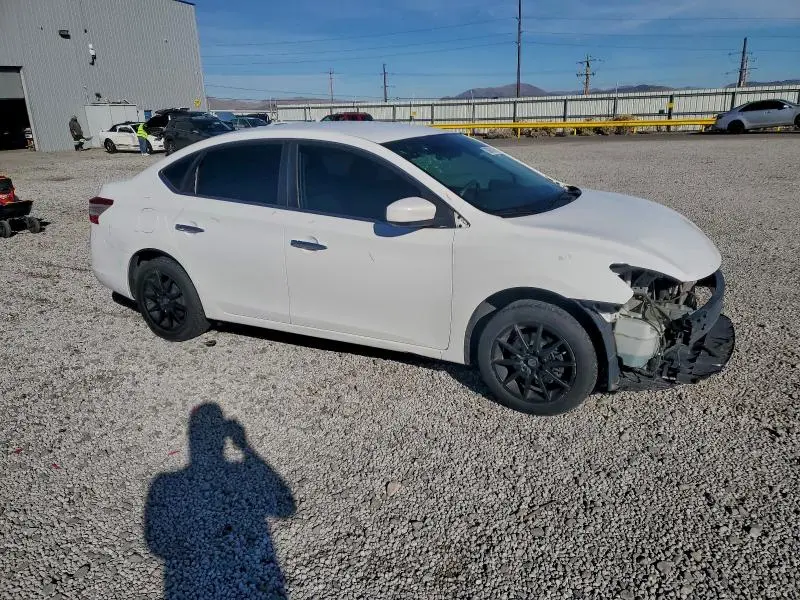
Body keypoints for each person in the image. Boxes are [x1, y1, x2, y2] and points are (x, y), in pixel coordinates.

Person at [144, 403, 295, 599]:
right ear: (223, 438)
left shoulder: (165, 484)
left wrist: (192, 550)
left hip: (192, 586)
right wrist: (246, 447)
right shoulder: (241, 474)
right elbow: (285, 506)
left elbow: (157, 544)